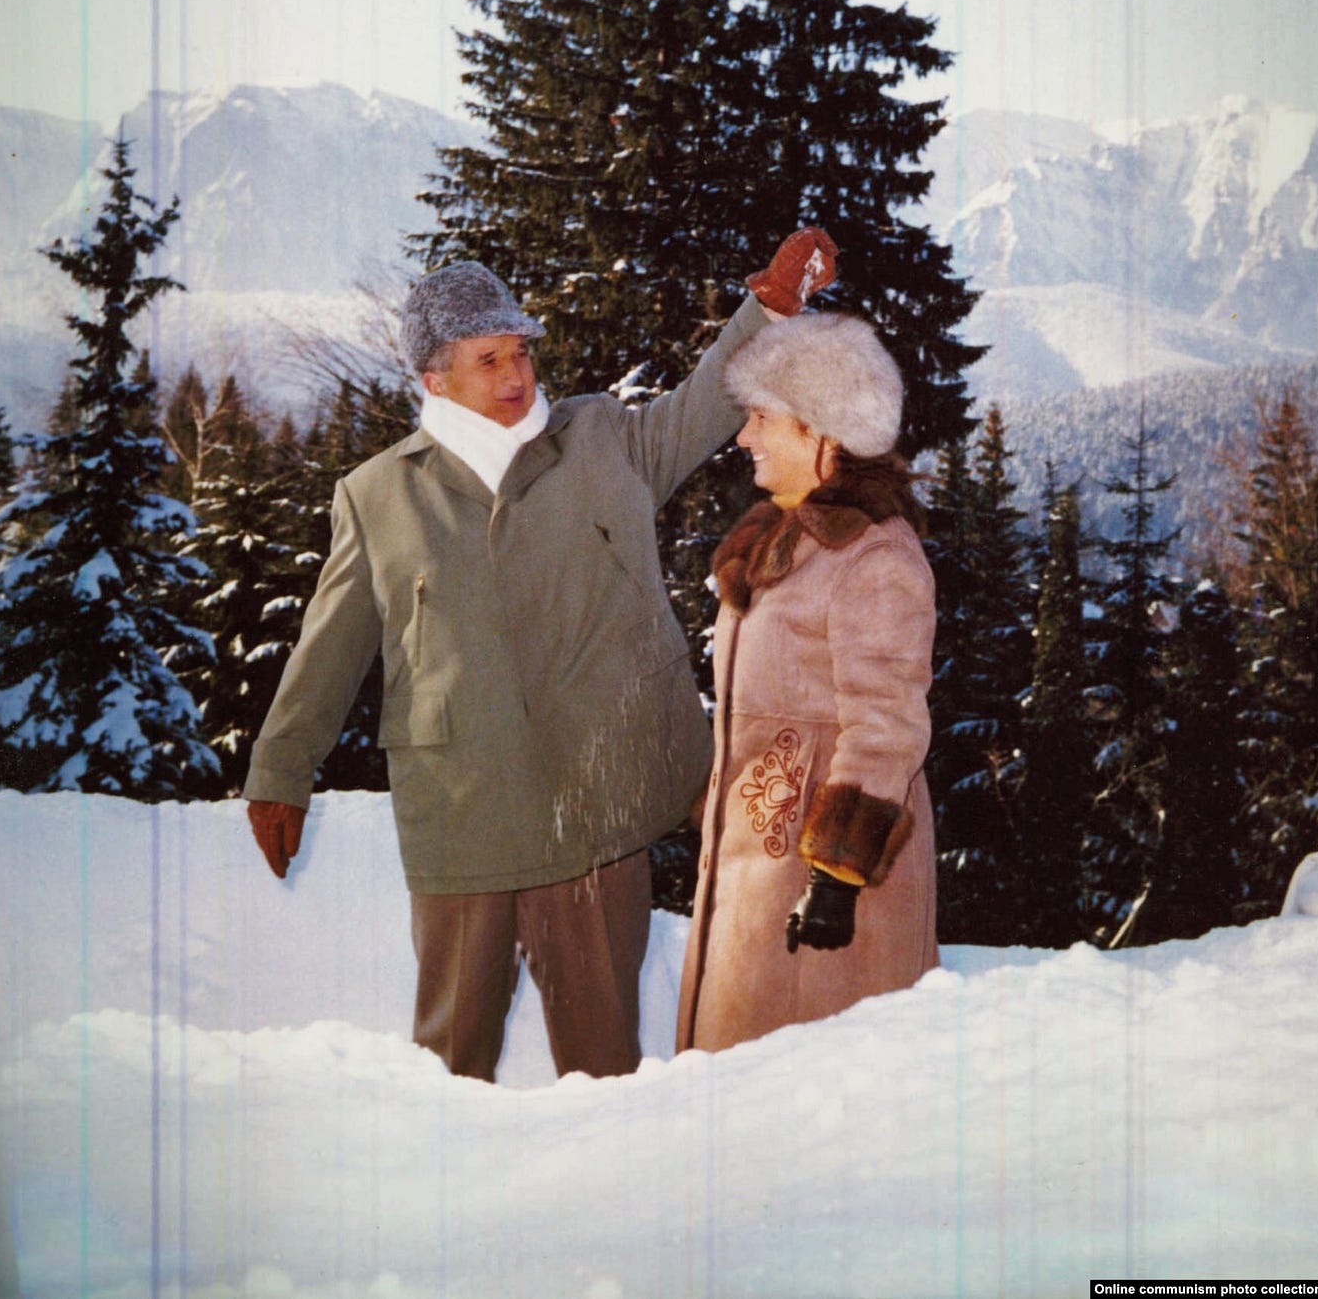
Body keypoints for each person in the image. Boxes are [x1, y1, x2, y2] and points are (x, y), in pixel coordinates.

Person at [244, 230, 836, 1083]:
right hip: (461, 816)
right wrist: (279, 769)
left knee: (603, 1075)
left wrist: (770, 308)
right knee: (450, 1067)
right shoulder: (377, 496)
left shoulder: (600, 440)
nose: (517, 375)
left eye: (520, 351)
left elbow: (707, 403)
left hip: (593, 813)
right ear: (432, 379)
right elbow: (330, 646)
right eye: (489, 360)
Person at [676, 311, 938, 1055]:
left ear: (822, 432)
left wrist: (836, 874)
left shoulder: (873, 560)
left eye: (762, 418)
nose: (744, 438)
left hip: (820, 883)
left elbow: (886, 726)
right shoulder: (782, 542)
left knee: (805, 1101)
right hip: (760, 859)